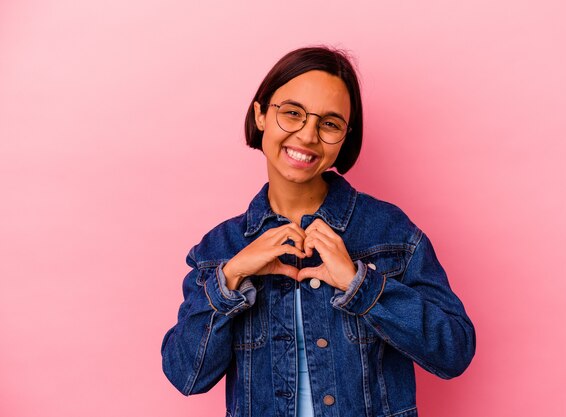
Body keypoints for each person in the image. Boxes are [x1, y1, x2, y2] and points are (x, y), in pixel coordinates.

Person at [161, 46, 476, 417]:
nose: (308, 135)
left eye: (329, 123)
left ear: (344, 136)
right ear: (261, 114)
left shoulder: (390, 234)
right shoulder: (220, 249)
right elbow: (186, 375)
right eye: (292, 113)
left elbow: (453, 351)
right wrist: (230, 278)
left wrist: (362, 286)